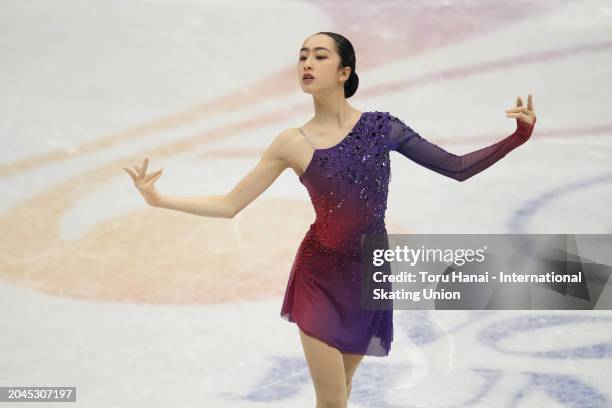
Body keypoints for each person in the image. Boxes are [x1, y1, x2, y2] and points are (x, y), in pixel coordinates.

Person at [124, 32, 537, 408]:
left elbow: (457, 167)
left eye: (319, 56)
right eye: (302, 56)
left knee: (343, 387)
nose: (306, 63)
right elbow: (231, 203)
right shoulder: (291, 142)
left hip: (368, 274)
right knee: (333, 400)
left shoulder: (382, 128)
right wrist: (159, 200)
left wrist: (517, 138)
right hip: (318, 274)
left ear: (344, 71)